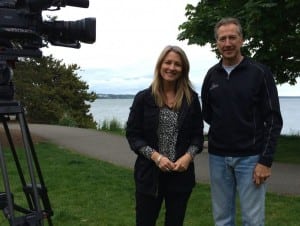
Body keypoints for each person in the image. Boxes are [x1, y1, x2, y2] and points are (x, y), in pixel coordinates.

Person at [201, 17, 283, 226]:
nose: (227, 43)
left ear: (242, 40)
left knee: (253, 221)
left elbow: (274, 119)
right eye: (222, 39)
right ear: (217, 43)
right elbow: (208, 114)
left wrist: (265, 161)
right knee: (222, 220)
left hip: (251, 159)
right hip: (218, 157)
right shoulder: (212, 76)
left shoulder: (260, 73)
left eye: (232, 37)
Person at [126, 45, 204, 226]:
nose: (172, 67)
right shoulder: (143, 98)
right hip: (149, 176)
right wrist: (156, 157)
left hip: (181, 176)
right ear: (160, 65)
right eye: (168, 62)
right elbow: (133, 135)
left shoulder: (191, 99)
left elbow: (197, 136)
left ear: (183, 69)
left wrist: (188, 156)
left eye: (177, 64)